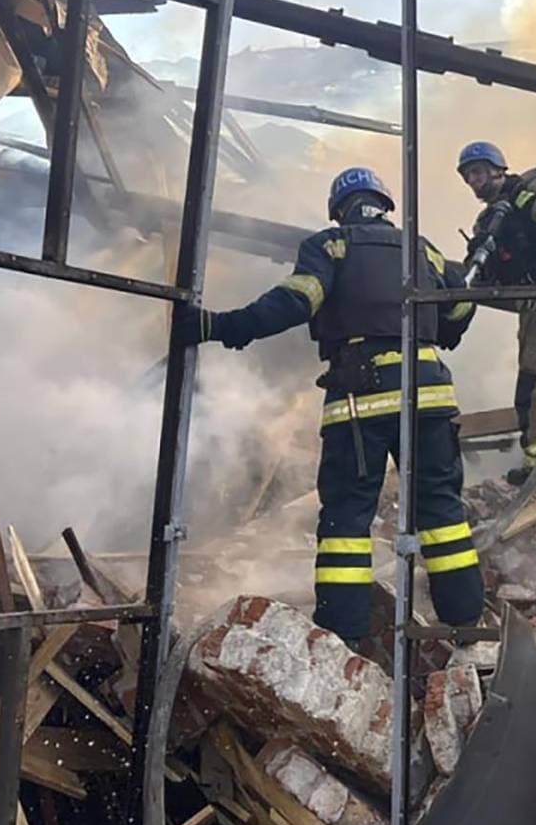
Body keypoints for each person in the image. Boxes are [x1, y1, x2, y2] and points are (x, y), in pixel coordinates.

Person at [172, 166, 484, 647]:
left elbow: (297, 301)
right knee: (442, 512)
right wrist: (441, 330)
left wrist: (222, 326)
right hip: (429, 394)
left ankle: (344, 639)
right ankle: (465, 625)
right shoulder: (420, 247)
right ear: (384, 204)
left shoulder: (331, 246)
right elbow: (462, 299)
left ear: (339, 210)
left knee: (347, 523)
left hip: (360, 400)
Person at [455, 140, 536, 485]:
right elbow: (492, 272)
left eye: (479, 172)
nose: (474, 182)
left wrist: (529, 202)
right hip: (532, 299)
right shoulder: (489, 220)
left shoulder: (531, 190)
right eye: (469, 176)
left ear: (498, 168)